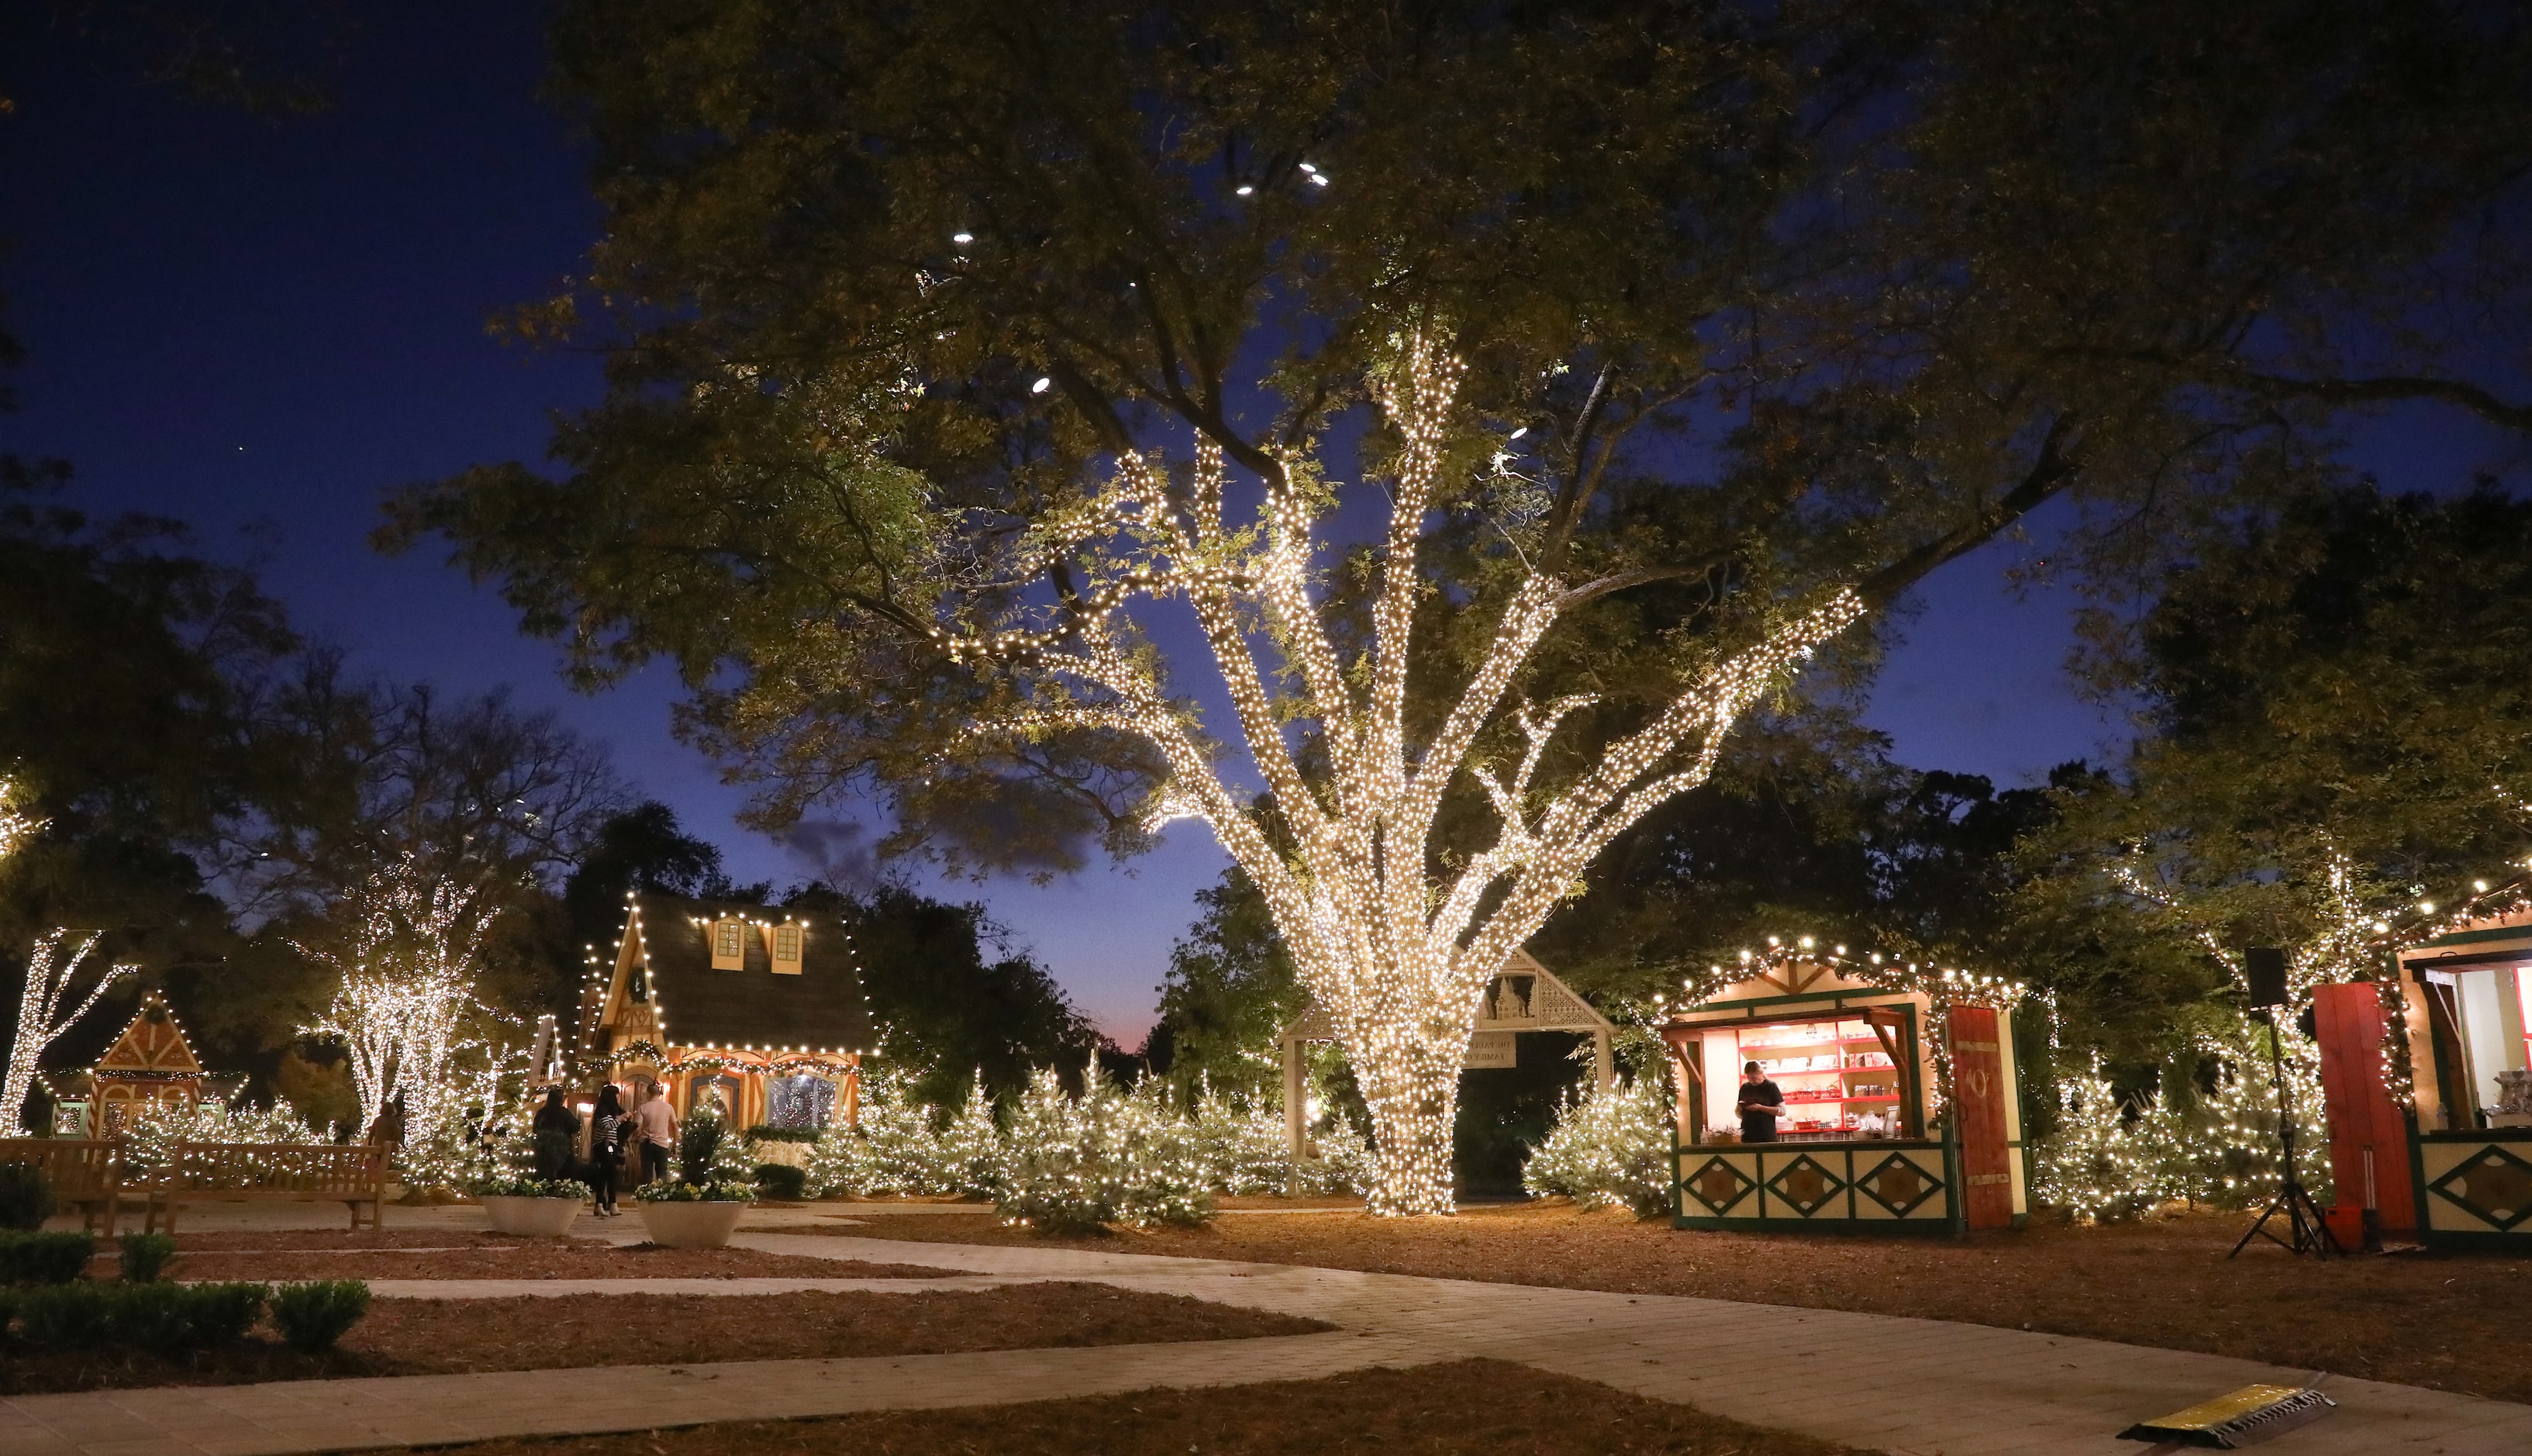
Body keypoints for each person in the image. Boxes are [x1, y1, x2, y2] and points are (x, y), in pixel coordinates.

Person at [588, 1085, 627, 1216]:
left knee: (604, 1175)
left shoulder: (612, 1111)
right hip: (603, 1146)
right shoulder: (602, 1111)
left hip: (612, 1146)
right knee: (612, 1172)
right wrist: (620, 1118)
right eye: (616, 1095)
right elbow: (607, 1126)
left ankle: (601, 1204)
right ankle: (611, 1204)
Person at [630, 1084, 678, 1186]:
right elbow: (675, 1127)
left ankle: (647, 1194)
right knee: (662, 1172)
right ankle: (661, 1195)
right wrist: (675, 1143)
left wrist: (634, 1138)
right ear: (659, 1093)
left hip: (647, 1143)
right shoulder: (669, 1107)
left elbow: (637, 1127)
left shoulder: (643, 1108)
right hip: (662, 1144)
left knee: (646, 1173)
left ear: (648, 1093)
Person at [530, 1088, 581, 1180]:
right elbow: (575, 1127)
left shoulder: (542, 1112)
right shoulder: (564, 1113)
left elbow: (535, 1128)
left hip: (543, 1148)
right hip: (563, 1147)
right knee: (564, 1173)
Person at [1737, 1061, 1786, 1143]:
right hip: (1747, 1134)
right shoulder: (1745, 1088)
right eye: (1749, 1078)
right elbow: (1739, 1114)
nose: (1752, 1081)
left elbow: (1782, 1111)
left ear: (1761, 1073)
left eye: (1754, 1078)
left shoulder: (1770, 1086)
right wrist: (1741, 1108)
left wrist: (1761, 1108)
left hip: (1766, 1134)